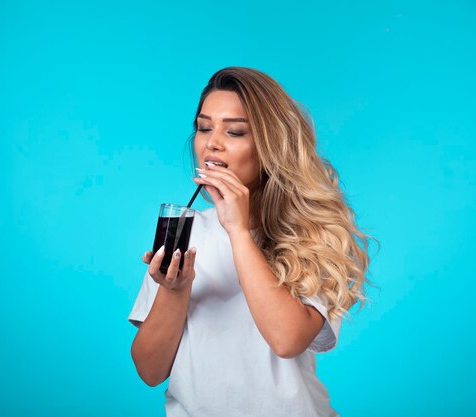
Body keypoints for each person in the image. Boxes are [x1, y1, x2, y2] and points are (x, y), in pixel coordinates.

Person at [128, 67, 373, 417]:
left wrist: (239, 231)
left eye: (236, 131)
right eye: (203, 127)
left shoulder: (311, 234)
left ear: (270, 146)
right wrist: (174, 290)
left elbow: (287, 340)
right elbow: (150, 372)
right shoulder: (185, 230)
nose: (213, 142)